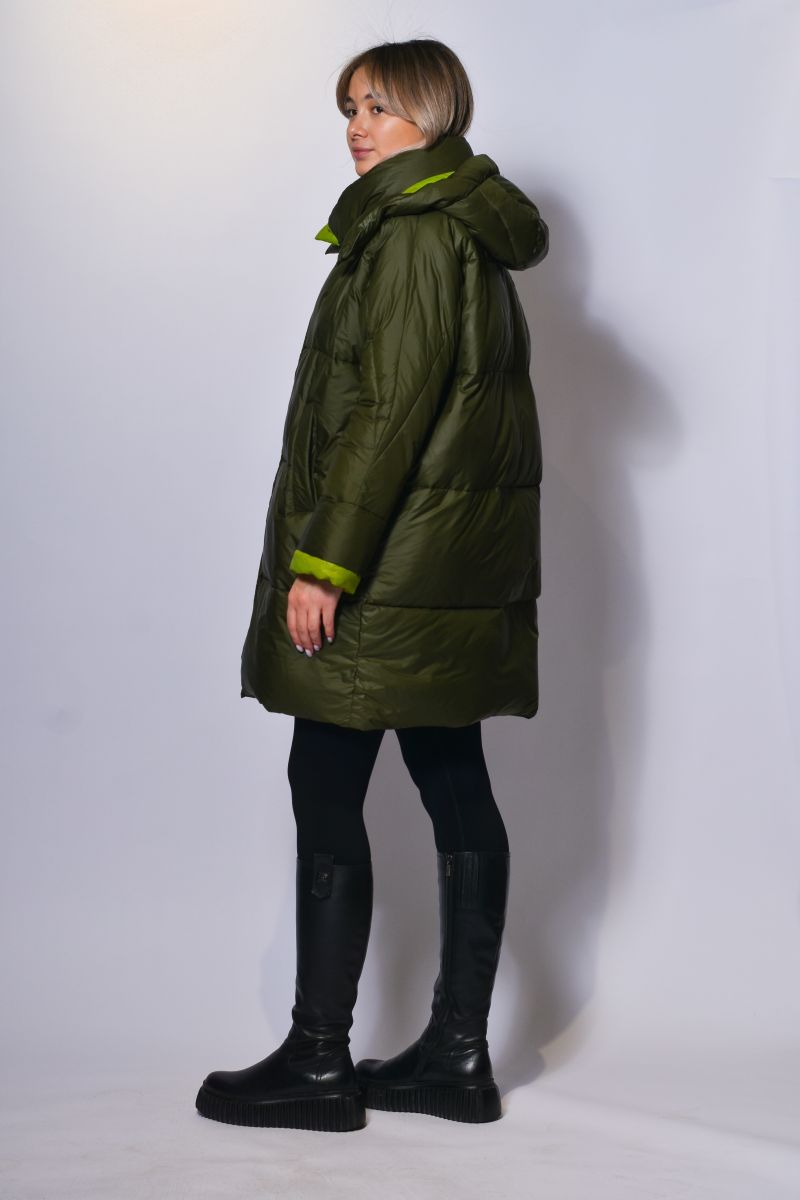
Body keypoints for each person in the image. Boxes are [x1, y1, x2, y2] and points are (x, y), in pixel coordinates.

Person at [196, 37, 549, 1132]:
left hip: (387, 574)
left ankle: (317, 1063)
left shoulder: (412, 234)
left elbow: (387, 417)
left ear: (433, 116)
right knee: (452, 779)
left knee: (325, 780)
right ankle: (455, 1057)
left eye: (381, 106)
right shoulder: (449, 225)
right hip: (439, 573)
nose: (357, 127)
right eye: (350, 106)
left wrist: (324, 564)